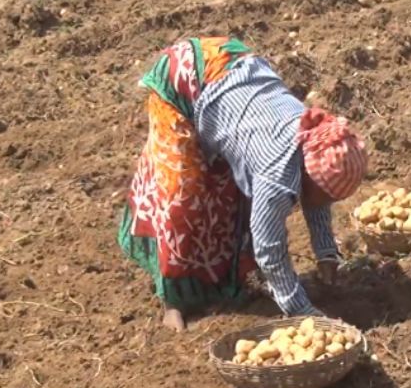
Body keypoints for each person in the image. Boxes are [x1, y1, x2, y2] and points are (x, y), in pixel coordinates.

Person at [116, 36, 367, 331]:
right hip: (184, 77)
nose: (320, 203)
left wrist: (325, 251)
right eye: (320, 194)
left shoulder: (314, 148)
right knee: (180, 197)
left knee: (230, 194)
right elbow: (270, 249)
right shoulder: (277, 173)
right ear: (306, 171)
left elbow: (318, 198)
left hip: (234, 76)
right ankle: (172, 299)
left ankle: (226, 277)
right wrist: (304, 312)